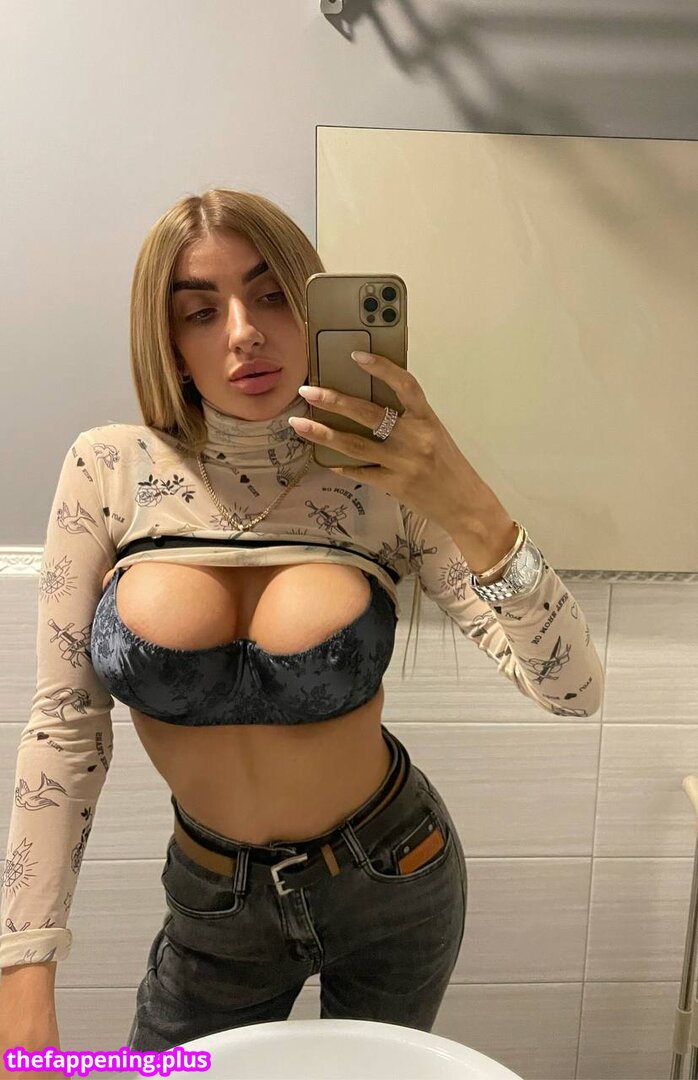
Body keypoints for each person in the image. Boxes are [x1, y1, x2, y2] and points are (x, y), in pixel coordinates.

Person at [0, 189, 603, 1055]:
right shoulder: (108, 470)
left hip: (395, 869)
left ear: (316, 307)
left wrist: (463, 495)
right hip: (214, 905)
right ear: (169, 343)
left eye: (273, 295)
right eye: (202, 311)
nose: (244, 332)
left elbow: (574, 691)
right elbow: (65, 726)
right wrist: (23, 973)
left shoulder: (385, 480)